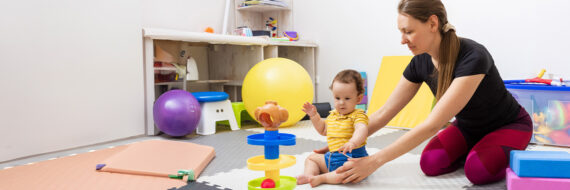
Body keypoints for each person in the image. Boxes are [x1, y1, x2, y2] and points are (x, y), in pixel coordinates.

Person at [328, 0, 533, 185]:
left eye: (408, 31)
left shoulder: (474, 56)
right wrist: (342, 142)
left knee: (477, 171)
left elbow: (431, 125)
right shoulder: (419, 62)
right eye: (401, 32)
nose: (402, 40)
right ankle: (479, 149)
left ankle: (494, 150)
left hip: (509, 125)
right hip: (468, 128)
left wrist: (374, 161)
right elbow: (384, 113)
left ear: (433, 24)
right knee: (430, 163)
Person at [297, 69, 369, 187]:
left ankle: (322, 178)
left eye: (347, 98)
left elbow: (361, 129)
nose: (341, 103)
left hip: (351, 158)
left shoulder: (358, 115)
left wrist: (353, 142)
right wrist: (314, 116)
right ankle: (309, 175)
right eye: (337, 98)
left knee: (346, 174)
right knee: (311, 158)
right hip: (332, 158)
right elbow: (323, 130)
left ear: (358, 99)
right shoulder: (333, 115)